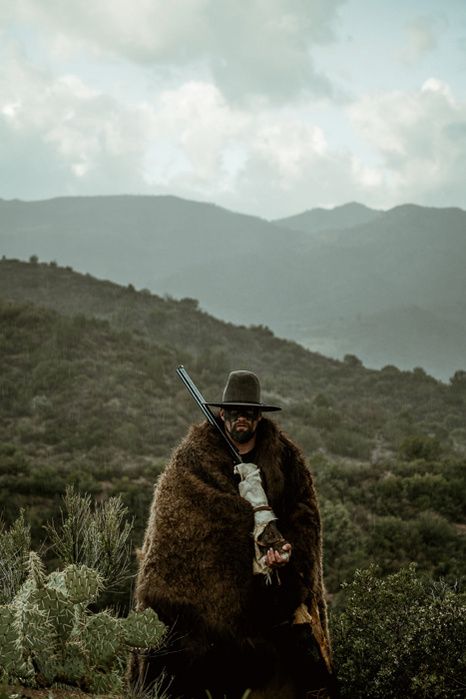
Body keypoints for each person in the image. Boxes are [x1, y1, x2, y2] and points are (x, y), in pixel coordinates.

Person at [129, 370, 333, 699]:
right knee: (171, 659)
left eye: (249, 411)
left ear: (258, 416)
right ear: (222, 413)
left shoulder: (286, 459)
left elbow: (304, 515)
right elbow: (175, 526)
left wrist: (285, 553)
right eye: (234, 411)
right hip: (204, 591)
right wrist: (243, 523)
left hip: (272, 590)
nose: (242, 418)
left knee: (309, 671)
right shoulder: (192, 459)